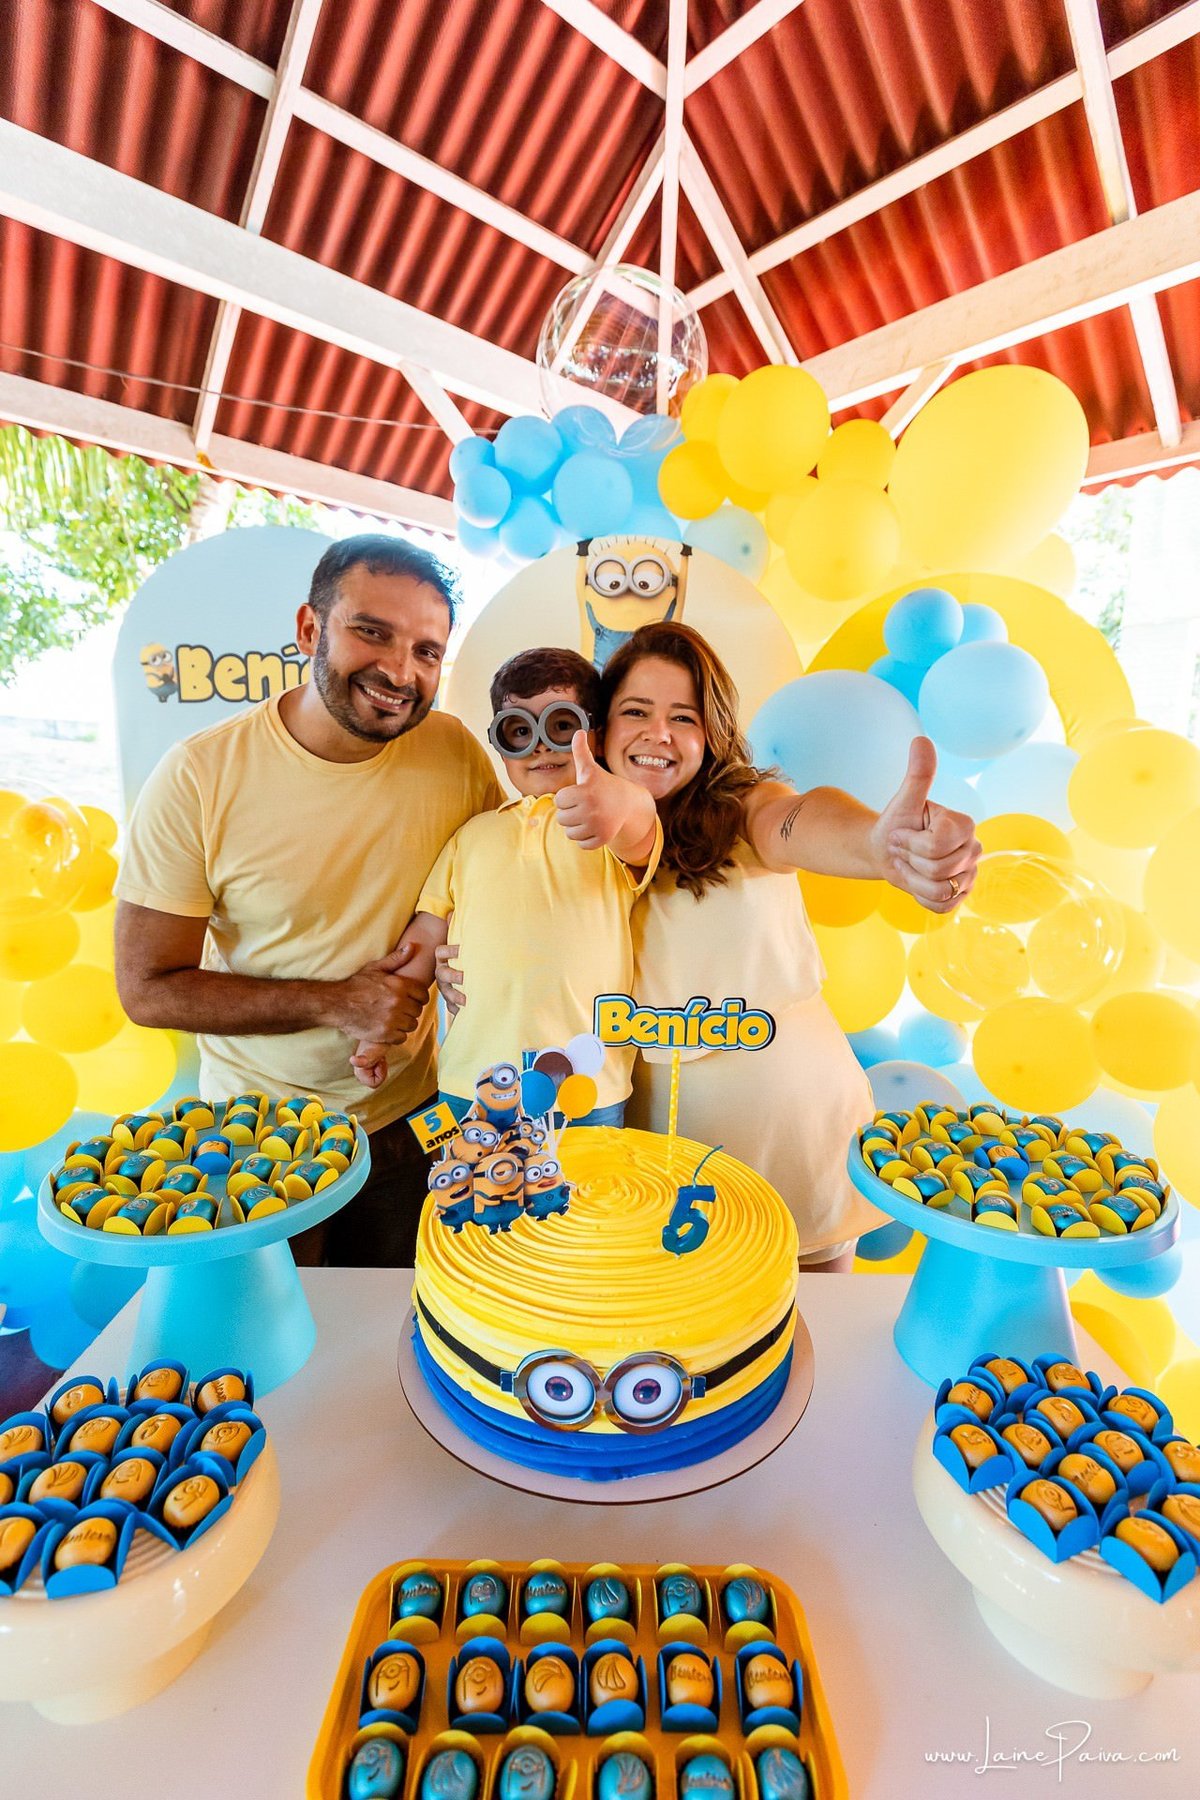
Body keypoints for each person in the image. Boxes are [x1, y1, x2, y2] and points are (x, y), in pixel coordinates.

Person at [114, 534, 502, 1267]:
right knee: (274, 1335)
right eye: (372, 632)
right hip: (257, 1139)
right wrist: (338, 1003)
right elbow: (147, 989)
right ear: (308, 628)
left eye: (425, 650)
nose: (400, 672)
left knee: (398, 1326)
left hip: (411, 1124)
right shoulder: (198, 776)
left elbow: (486, 892)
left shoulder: (456, 754)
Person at [594, 620, 982, 1270]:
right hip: (650, 1154)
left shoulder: (746, 809)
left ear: (711, 734)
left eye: (683, 717)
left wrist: (877, 844)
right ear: (601, 727)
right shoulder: (566, 835)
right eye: (636, 711)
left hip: (796, 1140)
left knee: (810, 1322)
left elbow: (797, 819)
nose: (659, 733)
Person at [351, 646, 660, 1126]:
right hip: (471, 1079)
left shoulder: (607, 827)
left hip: (585, 1086)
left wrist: (622, 801)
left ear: (594, 735)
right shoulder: (471, 836)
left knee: (587, 1179)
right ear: (500, 743)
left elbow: (639, 826)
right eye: (519, 730)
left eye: (561, 726)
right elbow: (425, 937)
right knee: (466, 1178)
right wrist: (378, 1034)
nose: (540, 746)